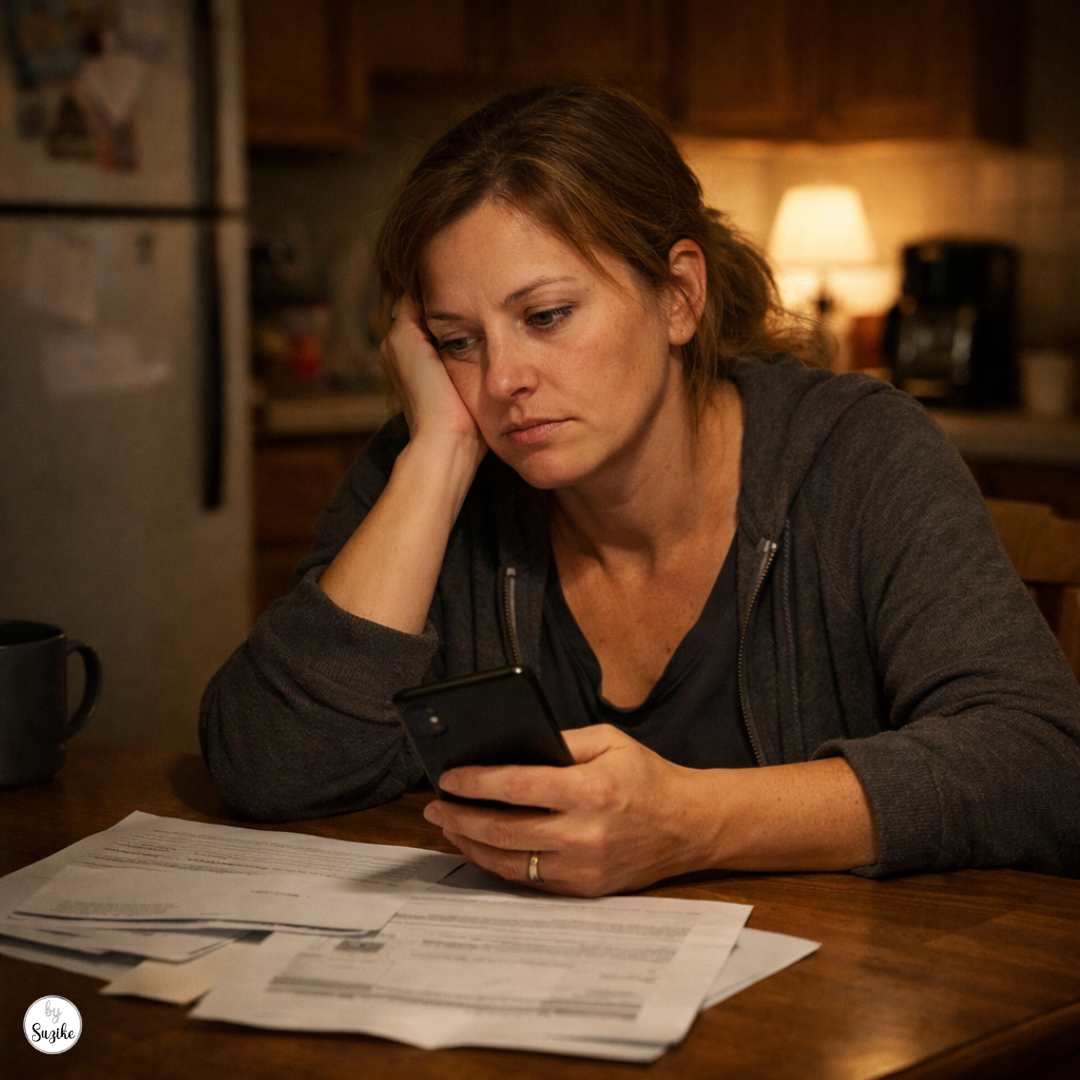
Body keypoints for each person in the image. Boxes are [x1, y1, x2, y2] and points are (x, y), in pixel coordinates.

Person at [201, 83, 1080, 896]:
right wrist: (435, 455)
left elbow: (1044, 762)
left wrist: (692, 824)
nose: (503, 377)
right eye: (457, 340)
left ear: (678, 296)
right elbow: (267, 765)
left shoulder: (856, 453)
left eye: (545, 316)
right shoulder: (440, 460)